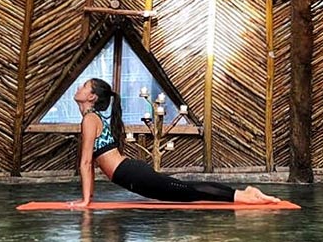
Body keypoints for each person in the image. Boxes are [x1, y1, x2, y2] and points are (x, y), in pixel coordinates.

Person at [69, 77, 280, 207]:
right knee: (185, 190)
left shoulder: (89, 119)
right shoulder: (92, 118)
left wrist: (86, 201)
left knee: (185, 190)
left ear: (92, 97)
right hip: (129, 172)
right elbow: (90, 164)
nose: (79, 87)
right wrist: (89, 197)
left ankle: (243, 195)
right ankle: (242, 194)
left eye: (85, 85)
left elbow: (86, 163)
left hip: (130, 174)